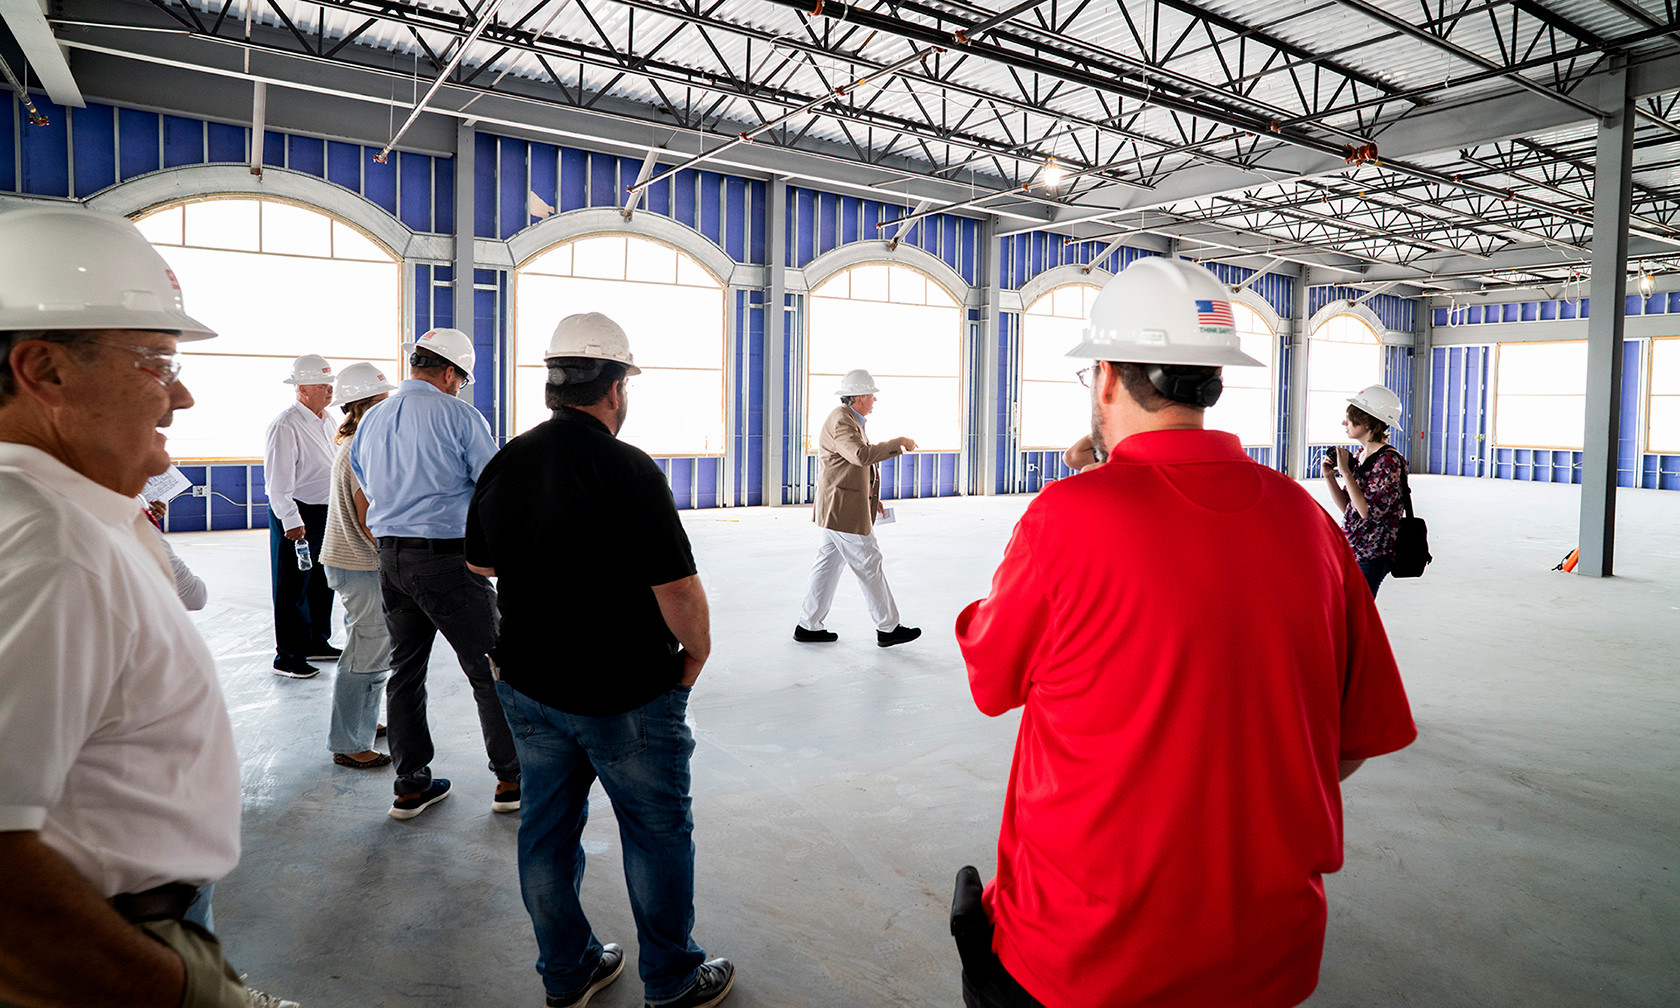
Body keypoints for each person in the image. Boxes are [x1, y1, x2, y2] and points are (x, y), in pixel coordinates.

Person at [953, 257, 1417, 1008]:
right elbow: (1355, 739)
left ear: (1105, 378)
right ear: (1215, 382)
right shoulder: (1307, 522)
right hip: (1270, 957)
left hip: (1083, 961)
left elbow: (991, 678)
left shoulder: (1067, 519)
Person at [0, 205, 296, 1007]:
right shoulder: (46, 548)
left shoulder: (80, 514)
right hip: (104, 947)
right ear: (45, 371)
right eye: (157, 362)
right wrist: (168, 987)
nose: (183, 394)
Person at [467, 312, 734, 1008]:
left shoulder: (509, 459)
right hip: (627, 694)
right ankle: (672, 981)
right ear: (614, 387)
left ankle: (568, 972)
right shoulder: (628, 469)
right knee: (656, 835)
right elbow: (678, 590)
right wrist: (695, 657)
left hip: (527, 684)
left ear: (556, 384)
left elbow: (478, 562)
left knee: (546, 833)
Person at [350, 327, 520, 820]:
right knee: (489, 668)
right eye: (461, 380)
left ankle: (409, 786)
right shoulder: (459, 416)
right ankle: (511, 778)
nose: (459, 388)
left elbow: (364, 485)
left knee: (405, 672)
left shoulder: (372, 420)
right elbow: (492, 488)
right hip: (448, 560)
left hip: (392, 562)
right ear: (449, 373)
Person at [793, 368, 921, 647]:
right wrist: (899, 443)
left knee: (827, 564)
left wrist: (871, 499)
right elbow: (861, 455)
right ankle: (888, 628)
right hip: (842, 510)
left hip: (841, 504)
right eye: (872, 396)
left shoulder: (851, 418)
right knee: (868, 562)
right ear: (860, 396)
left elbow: (851, 465)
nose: (874, 400)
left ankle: (808, 625)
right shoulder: (842, 421)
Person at [320, 362, 398, 770]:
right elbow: (370, 520)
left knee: (366, 645)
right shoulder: (361, 449)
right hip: (361, 565)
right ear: (365, 406)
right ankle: (349, 741)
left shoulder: (351, 442)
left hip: (347, 562)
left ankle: (361, 721)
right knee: (367, 653)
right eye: (383, 402)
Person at [265, 353, 340, 679]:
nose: (329, 390)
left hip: (326, 511)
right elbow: (277, 483)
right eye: (322, 384)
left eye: (330, 383)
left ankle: (315, 642)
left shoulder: (328, 421)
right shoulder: (286, 425)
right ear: (301, 389)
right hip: (298, 512)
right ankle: (289, 656)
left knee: (322, 582)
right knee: (292, 585)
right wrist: (291, 521)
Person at [1322, 385, 1408, 597]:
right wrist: (1330, 476)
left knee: (1356, 613)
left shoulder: (1389, 461)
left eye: (1350, 420)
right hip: (1354, 547)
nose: (1345, 423)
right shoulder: (1362, 454)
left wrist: (1346, 473)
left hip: (1373, 553)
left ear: (1368, 423)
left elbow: (1367, 511)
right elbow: (1348, 507)